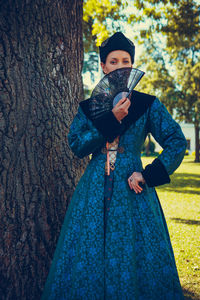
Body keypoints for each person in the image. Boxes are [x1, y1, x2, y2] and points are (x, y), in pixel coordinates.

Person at [41, 32, 187, 300]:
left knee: (134, 253)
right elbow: (77, 144)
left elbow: (177, 141)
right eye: (114, 61)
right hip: (93, 193)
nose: (120, 66)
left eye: (126, 60)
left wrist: (147, 174)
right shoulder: (89, 108)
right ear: (104, 66)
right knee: (88, 251)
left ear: (132, 65)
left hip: (133, 194)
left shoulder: (147, 104)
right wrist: (111, 118)